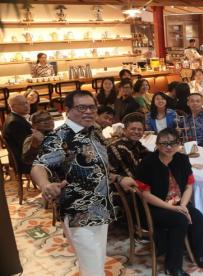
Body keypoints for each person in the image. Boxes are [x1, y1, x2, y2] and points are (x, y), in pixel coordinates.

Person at [31, 90, 137, 276]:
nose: (88, 111)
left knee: (95, 263)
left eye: (92, 107)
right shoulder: (59, 137)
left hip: (102, 209)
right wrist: (45, 184)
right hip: (79, 214)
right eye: (82, 107)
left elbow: (100, 169)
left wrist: (119, 178)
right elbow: (39, 166)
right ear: (68, 110)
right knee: (93, 270)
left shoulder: (94, 132)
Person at [135, 128, 203, 276]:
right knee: (180, 220)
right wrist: (173, 209)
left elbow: (189, 185)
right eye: (164, 143)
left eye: (173, 143)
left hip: (179, 204)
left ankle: (200, 254)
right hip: (156, 207)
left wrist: (182, 206)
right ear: (157, 144)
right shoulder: (148, 163)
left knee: (198, 217)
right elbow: (146, 195)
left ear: (179, 144)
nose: (169, 147)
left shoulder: (182, 159)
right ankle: (173, 266)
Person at [108, 112, 149, 178]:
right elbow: (132, 174)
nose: (136, 132)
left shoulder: (136, 143)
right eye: (133, 129)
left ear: (143, 132)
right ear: (124, 130)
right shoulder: (119, 147)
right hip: (122, 183)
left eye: (139, 129)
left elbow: (148, 155)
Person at [2, 93, 32, 174]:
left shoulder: (17, 117)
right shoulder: (14, 123)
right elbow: (27, 146)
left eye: (26, 102)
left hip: (26, 156)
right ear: (12, 106)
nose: (26, 106)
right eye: (22, 104)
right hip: (24, 161)